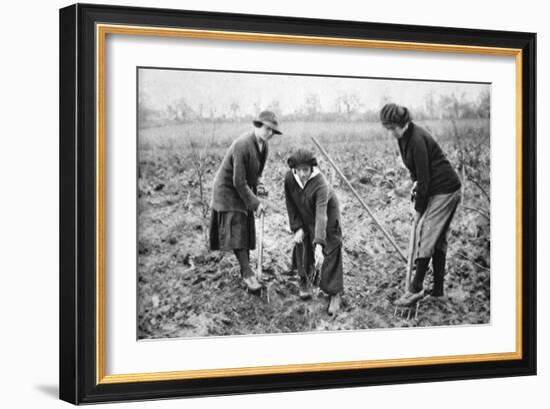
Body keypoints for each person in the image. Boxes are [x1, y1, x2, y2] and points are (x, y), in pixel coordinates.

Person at [379, 103, 462, 306]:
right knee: (437, 238)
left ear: (402, 123)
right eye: (388, 129)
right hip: (433, 188)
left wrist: (418, 210)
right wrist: (415, 196)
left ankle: (415, 289)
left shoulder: (416, 139)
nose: (391, 133)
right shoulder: (403, 138)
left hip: (445, 189)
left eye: (393, 128)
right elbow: (416, 174)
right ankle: (438, 292)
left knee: (426, 233)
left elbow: (425, 178)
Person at [209, 110, 282, 292]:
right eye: (267, 129)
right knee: (238, 230)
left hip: (241, 189)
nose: (269, 133)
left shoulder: (264, 147)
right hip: (227, 190)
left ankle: (247, 268)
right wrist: (255, 203)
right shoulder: (242, 145)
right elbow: (238, 181)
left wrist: (260, 184)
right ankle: (247, 273)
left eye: (273, 131)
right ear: (257, 126)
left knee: (246, 229)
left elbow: (256, 175)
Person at [284, 149, 344, 315]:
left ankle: (334, 293)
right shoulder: (289, 178)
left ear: (312, 168)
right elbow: (290, 203)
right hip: (304, 212)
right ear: (294, 168)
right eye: (300, 169)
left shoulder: (320, 184)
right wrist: (297, 227)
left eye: (306, 169)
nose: (303, 174)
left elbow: (321, 216)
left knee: (330, 248)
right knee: (301, 240)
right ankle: (304, 280)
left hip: (327, 215)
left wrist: (319, 244)